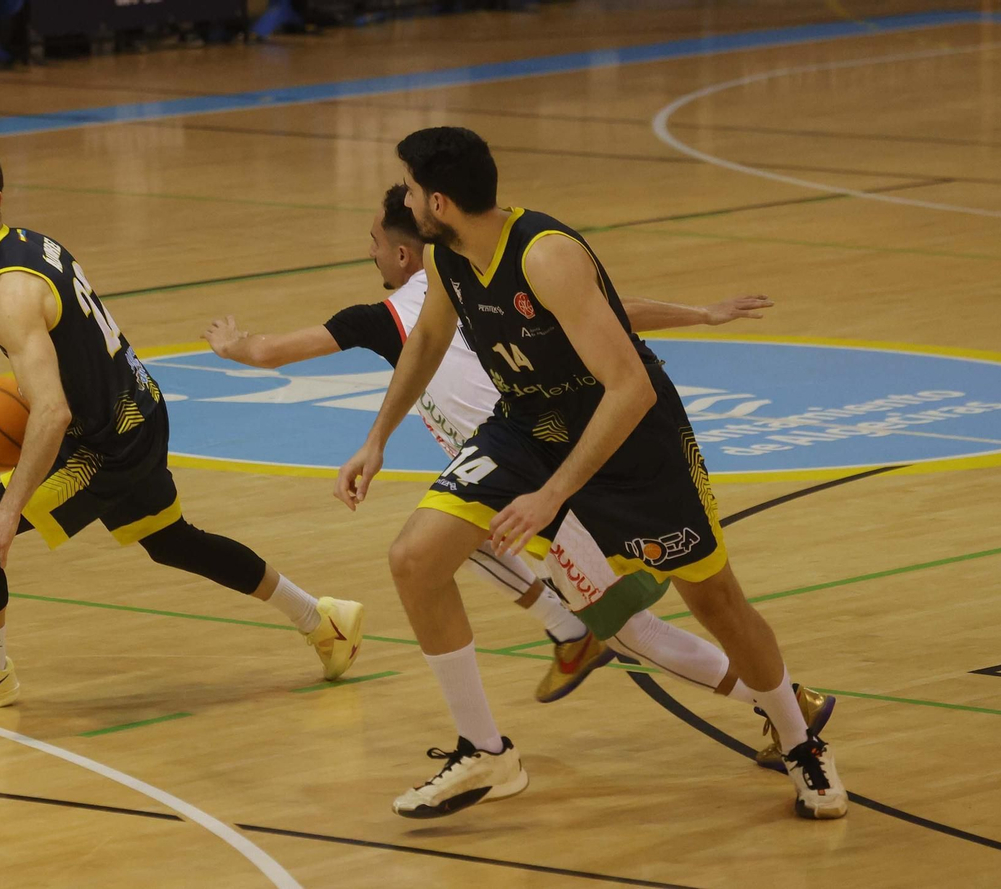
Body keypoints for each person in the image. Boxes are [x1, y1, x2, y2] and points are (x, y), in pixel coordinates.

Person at [203, 185, 828, 771]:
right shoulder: (476, 280)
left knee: (634, 629)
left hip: (555, 470)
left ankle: (782, 704)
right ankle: (560, 642)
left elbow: (270, 352)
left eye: (372, 243)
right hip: (525, 465)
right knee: (447, 542)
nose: (369, 254)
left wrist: (231, 343)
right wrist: (700, 314)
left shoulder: (391, 312)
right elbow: (610, 313)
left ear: (403, 251)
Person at [335, 127, 847, 820]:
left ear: (441, 199)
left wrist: (554, 494)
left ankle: (797, 739)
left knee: (716, 600)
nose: (402, 197)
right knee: (415, 558)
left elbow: (629, 386)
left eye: (408, 187)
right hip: (527, 429)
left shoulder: (547, 257)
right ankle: (486, 751)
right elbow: (426, 339)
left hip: (632, 441)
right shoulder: (449, 256)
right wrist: (377, 439)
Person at [0, 139, 364, 715]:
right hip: (139, 408)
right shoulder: (31, 244)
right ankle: (322, 620)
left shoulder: (9, 290)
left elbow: (52, 413)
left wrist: (6, 513)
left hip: (104, 444)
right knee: (172, 541)